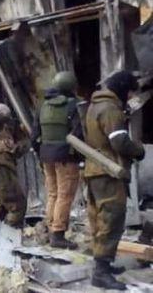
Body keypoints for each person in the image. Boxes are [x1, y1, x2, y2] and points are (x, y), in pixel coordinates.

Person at [84, 70, 145, 290]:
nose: (130, 97)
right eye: (130, 92)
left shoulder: (94, 105)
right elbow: (119, 142)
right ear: (123, 89)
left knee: (100, 218)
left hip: (95, 168)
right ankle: (101, 272)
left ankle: (104, 265)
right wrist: (138, 150)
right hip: (108, 171)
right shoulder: (110, 109)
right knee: (112, 218)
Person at [33, 71, 82, 249]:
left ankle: (50, 229)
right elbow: (78, 134)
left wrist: (41, 153)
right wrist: (80, 157)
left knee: (53, 194)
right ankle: (58, 234)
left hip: (46, 155)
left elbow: (34, 135)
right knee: (64, 195)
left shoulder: (42, 105)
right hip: (66, 157)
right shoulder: (73, 106)